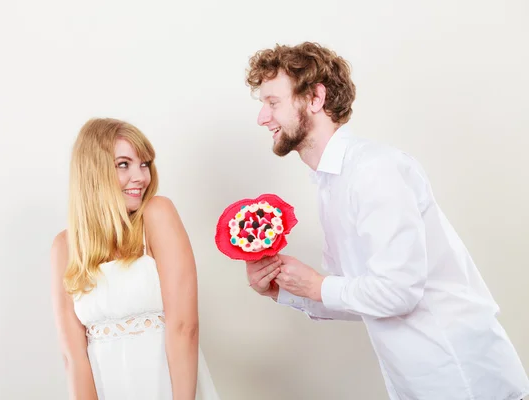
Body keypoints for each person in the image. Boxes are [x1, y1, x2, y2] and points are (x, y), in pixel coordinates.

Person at [244, 42, 529, 400]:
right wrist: (284, 289)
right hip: (418, 384)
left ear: (315, 98)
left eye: (273, 103)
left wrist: (317, 285)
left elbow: (398, 292)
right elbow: (359, 295)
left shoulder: (374, 170)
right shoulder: (331, 182)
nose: (262, 118)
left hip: (462, 378)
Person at [50, 118, 220, 399]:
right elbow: (73, 357)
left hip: (169, 388)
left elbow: (184, 327)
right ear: (93, 171)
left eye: (144, 164)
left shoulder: (157, 214)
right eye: (123, 164)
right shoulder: (65, 247)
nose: (141, 177)